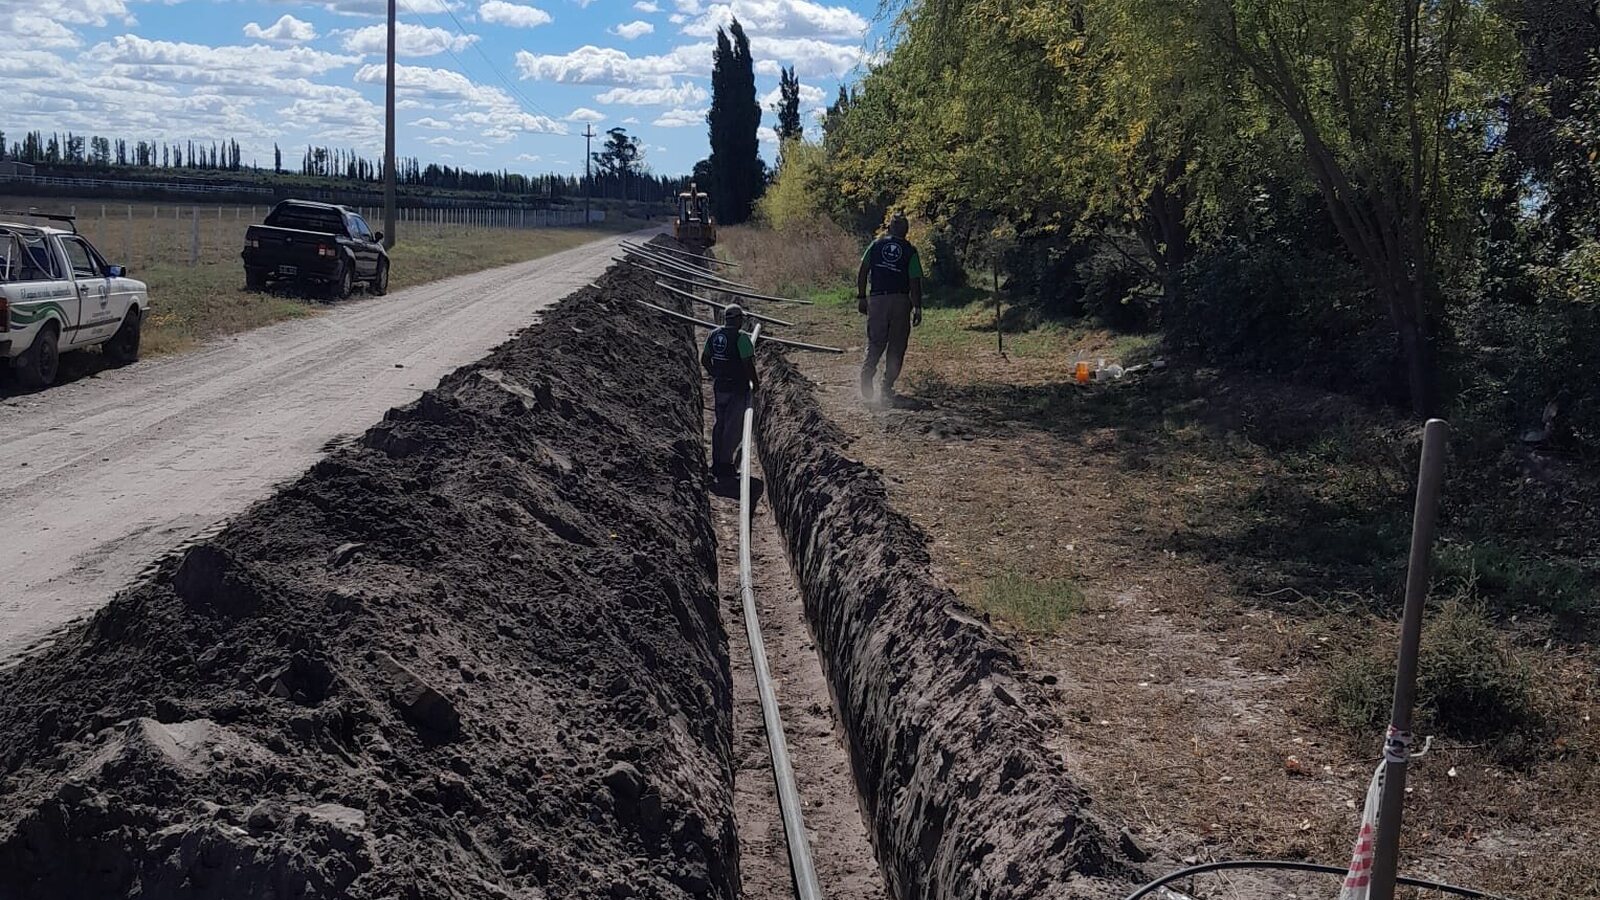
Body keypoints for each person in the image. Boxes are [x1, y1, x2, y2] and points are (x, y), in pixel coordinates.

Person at [856, 212, 923, 404]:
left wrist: (862, 297)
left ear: (889, 228)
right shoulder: (910, 251)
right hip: (901, 302)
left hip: (877, 300)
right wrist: (917, 307)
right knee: (897, 346)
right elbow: (914, 281)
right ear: (906, 230)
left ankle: (867, 373)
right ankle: (886, 387)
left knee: (876, 341)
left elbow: (862, 271)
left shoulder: (875, 246)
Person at [700, 304, 758, 479]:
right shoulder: (741, 338)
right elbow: (748, 364)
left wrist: (715, 373)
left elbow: (704, 359)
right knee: (733, 427)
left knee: (720, 424)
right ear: (738, 319)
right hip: (737, 389)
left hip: (720, 387)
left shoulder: (714, 334)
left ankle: (717, 462)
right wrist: (755, 383)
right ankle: (726, 465)